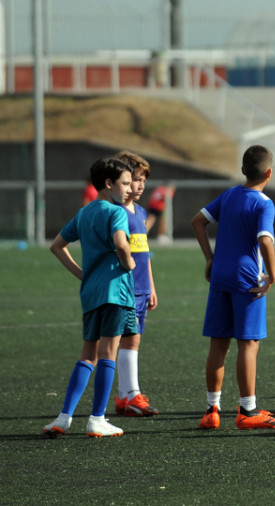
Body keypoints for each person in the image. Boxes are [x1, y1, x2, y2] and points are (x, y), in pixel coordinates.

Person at [191, 145, 275, 430]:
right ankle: (248, 410)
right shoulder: (264, 203)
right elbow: (266, 240)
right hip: (248, 279)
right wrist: (273, 275)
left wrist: (210, 258)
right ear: (270, 173)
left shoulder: (230, 194)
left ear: (243, 170)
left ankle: (211, 409)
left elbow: (198, 222)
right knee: (248, 343)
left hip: (220, 274)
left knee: (219, 343)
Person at [43, 157, 137, 438]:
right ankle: (97, 418)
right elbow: (121, 244)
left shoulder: (84, 213)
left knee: (88, 355)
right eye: (125, 183)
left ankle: (64, 416)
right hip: (115, 292)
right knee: (108, 353)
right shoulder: (116, 212)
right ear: (109, 184)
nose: (130, 189)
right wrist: (129, 262)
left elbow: (57, 246)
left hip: (91, 293)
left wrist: (83, 274)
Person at [112, 151, 161, 417]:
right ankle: (131, 395)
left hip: (141, 288)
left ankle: (124, 396)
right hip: (124, 288)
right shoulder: (116, 211)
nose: (140, 185)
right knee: (128, 341)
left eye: (144, 180)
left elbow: (143, 253)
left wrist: (151, 286)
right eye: (136, 180)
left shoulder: (140, 211)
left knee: (133, 340)